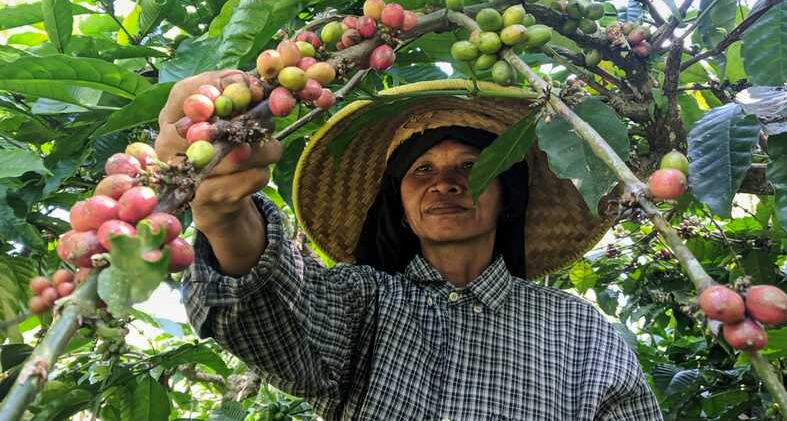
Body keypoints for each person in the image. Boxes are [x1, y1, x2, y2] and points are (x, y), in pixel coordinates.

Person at [156, 70, 664, 420]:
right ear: (399, 206)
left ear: (510, 197)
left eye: (470, 166)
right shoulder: (365, 300)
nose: (445, 183)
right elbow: (275, 318)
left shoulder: (580, 331)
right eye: (422, 170)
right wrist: (224, 216)